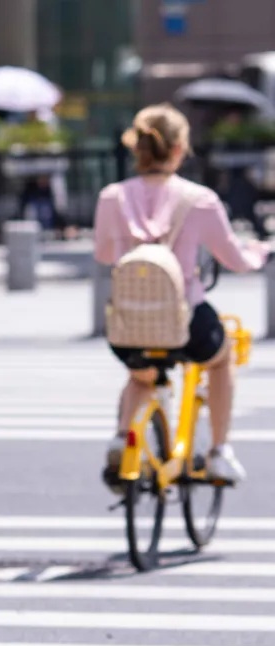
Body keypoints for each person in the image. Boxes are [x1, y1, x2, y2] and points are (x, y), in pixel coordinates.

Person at [95, 103, 269, 486]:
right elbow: (235, 259)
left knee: (142, 377)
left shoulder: (112, 197)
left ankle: (122, 437)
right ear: (179, 149)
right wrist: (258, 252)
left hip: (127, 325)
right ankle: (220, 451)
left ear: (137, 149)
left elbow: (104, 255)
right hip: (186, 320)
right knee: (221, 361)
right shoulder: (198, 199)